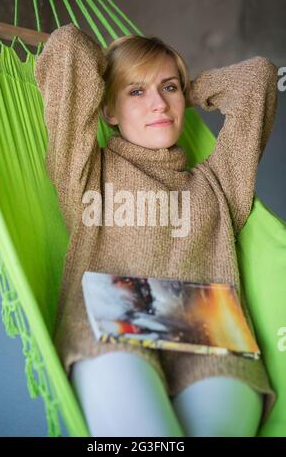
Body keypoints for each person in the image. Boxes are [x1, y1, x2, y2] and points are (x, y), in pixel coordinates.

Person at [34, 23, 278, 437]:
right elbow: (68, 48)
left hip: (208, 335)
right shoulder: (87, 174)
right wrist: (114, 75)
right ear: (107, 108)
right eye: (136, 92)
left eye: (169, 88)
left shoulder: (219, 184)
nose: (159, 105)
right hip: (112, 328)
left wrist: (190, 86)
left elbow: (259, 79)